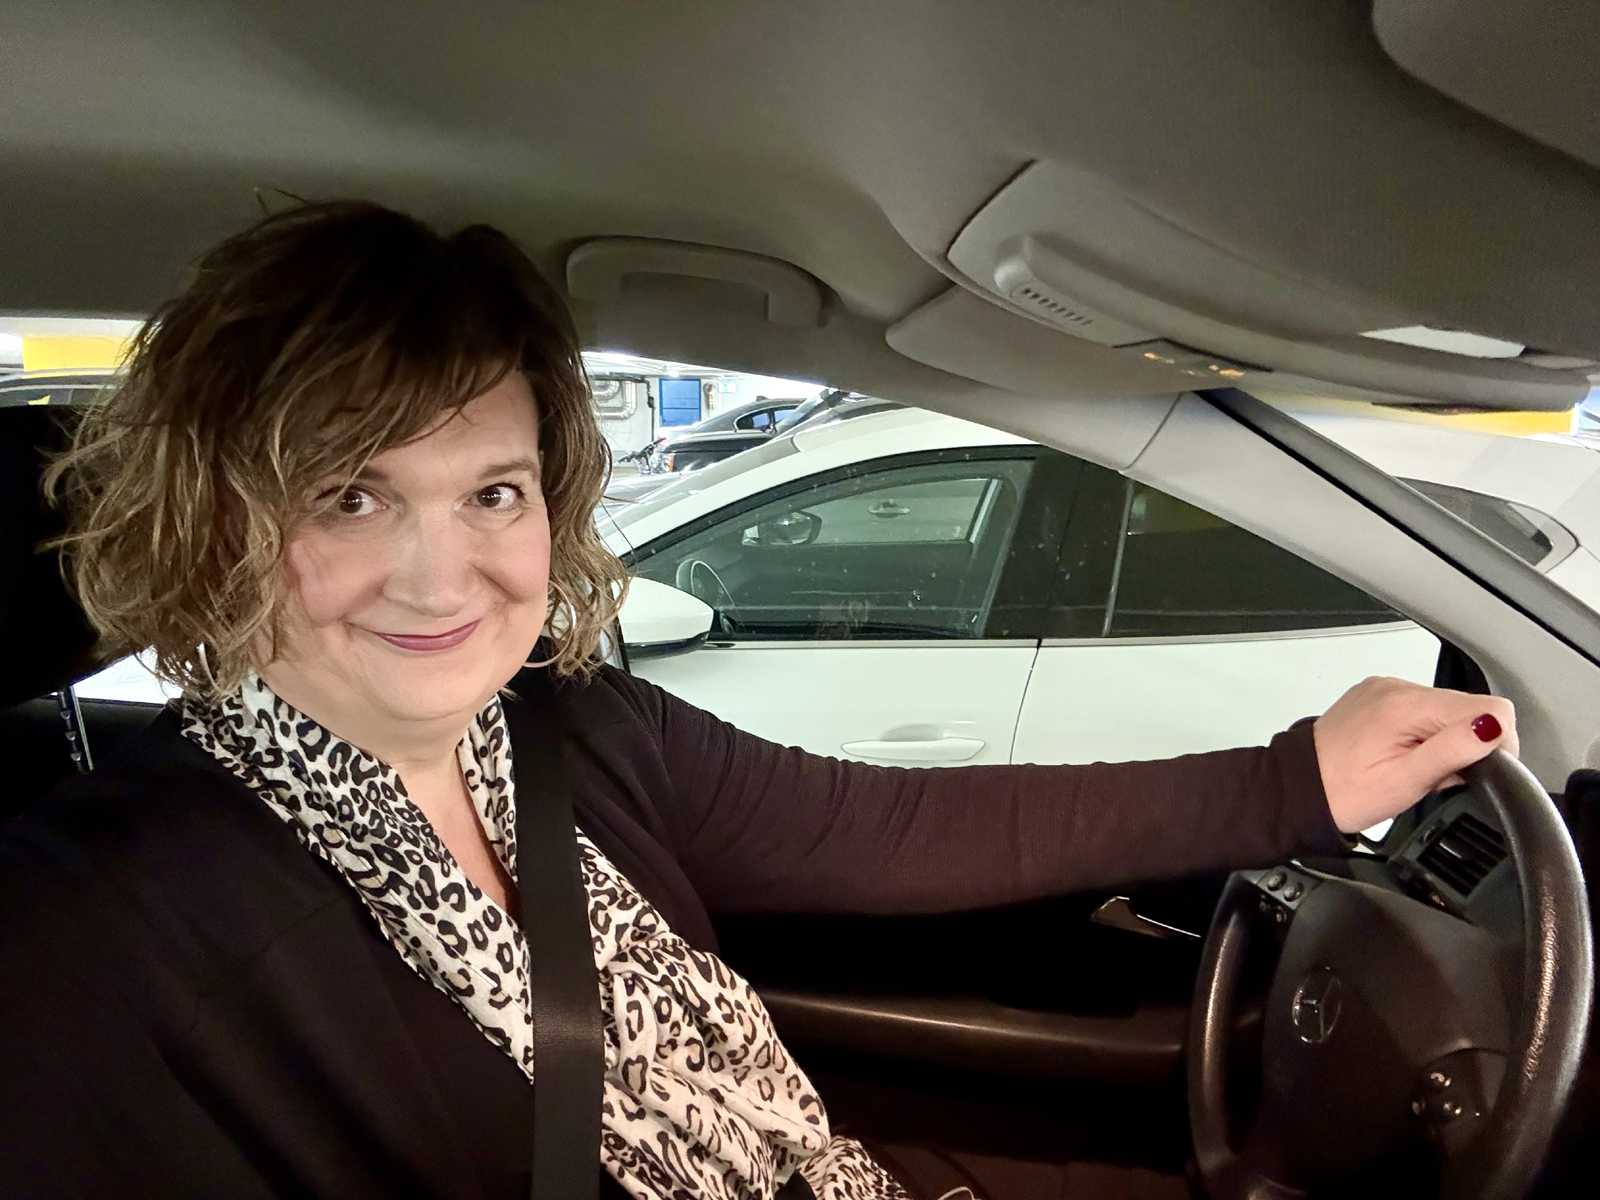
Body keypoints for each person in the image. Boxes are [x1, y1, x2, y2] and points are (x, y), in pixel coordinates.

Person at [0, 201, 1515, 1200]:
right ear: (215, 519)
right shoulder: (93, 923)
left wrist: (1298, 780)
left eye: (494, 492)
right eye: (352, 496)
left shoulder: (580, 733)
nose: (441, 574)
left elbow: (906, 830)